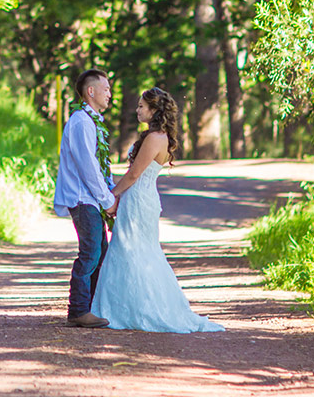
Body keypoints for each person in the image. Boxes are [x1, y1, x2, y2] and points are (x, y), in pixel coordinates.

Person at [90, 87, 224, 333]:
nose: (138, 109)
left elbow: (133, 174)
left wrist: (111, 196)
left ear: (153, 110)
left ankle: (138, 308)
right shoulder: (155, 136)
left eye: (142, 106)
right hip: (141, 197)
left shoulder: (154, 138)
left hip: (139, 199)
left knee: (134, 249)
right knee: (133, 249)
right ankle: (127, 306)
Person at [52, 68, 117, 328]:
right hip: (82, 198)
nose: (110, 94)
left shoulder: (92, 122)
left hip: (91, 199)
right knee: (90, 253)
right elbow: (87, 166)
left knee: (99, 251)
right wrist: (107, 199)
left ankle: (90, 307)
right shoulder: (81, 121)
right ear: (91, 92)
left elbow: (101, 166)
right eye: (106, 89)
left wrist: (110, 191)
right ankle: (78, 310)